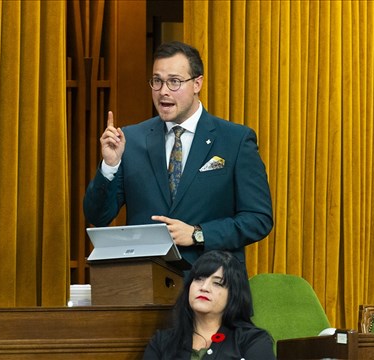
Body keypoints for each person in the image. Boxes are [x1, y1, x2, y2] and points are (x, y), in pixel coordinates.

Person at [83, 41, 273, 267]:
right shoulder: (131, 140)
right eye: (157, 81)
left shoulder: (235, 140)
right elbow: (97, 216)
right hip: (145, 287)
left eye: (174, 82)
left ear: (197, 84)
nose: (163, 91)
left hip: (212, 286)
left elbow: (258, 219)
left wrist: (197, 234)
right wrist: (110, 166)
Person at [142, 250, 276, 359]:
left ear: (233, 295)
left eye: (217, 283)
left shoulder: (252, 340)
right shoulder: (162, 342)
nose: (204, 287)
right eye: (199, 279)